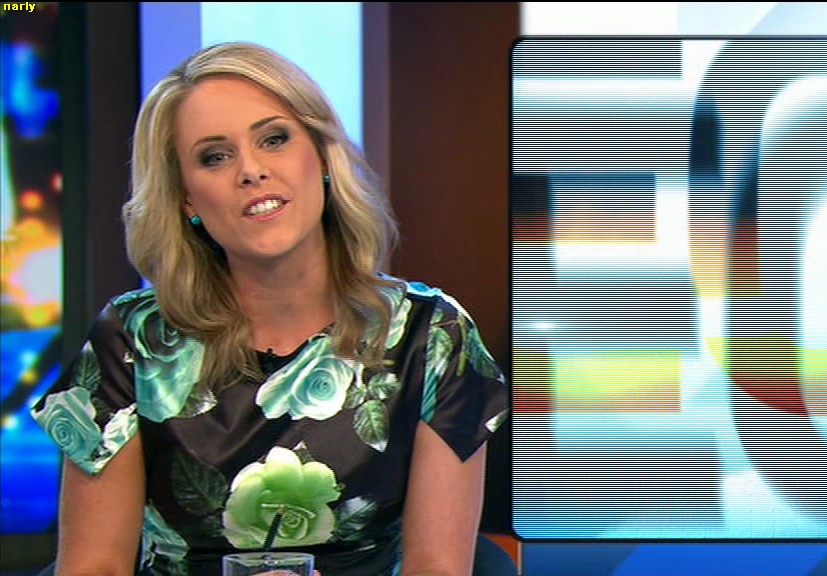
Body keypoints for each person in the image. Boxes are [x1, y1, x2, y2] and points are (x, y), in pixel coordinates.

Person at [31, 42, 509, 576]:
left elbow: (437, 568)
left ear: (321, 156)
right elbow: (94, 565)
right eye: (215, 157)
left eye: (274, 139)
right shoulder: (131, 341)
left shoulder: (431, 334)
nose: (251, 171)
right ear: (186, 198)